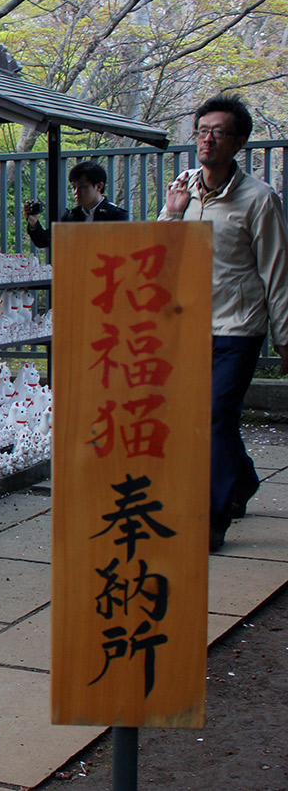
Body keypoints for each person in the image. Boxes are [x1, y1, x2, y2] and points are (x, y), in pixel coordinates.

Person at [159, 94, 288, 552]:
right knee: (210, 416)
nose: (207, 140)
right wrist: (173, 212)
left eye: (218, 132)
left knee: (214, 415)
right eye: (202, 131)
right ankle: (244, 479)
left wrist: (284, 336)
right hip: (189, 325)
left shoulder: (258, 199)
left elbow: (277, 271)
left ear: (239, 142)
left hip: (239, 327)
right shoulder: (183, 189)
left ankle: (212, 518)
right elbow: (160, 256)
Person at [25, 160, 130, 247]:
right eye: (74, 187)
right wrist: (34, 222)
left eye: (83, 186)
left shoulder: (116, 215)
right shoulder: (71, 216)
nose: (76, 192)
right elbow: (45, 241)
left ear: (99, 187)